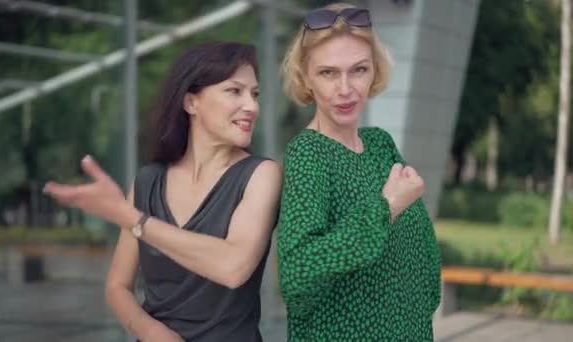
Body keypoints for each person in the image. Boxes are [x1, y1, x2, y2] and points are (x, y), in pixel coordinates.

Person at [43, 41, 282, 342]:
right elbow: (118, 286)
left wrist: (133, 219)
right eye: (235, 91)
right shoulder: (148, 181)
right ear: (191, 103)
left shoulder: (261, 174)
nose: (252, 106)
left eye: (254, 94)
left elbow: (233, 267)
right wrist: (152, 332)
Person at [277, 3, 442, 341]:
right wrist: (387, 207)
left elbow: (420, 253)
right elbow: (297, 274)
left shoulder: (380, 144)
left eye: (358, 70)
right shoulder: (308, 154)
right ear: (305, 76)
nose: (345, 88)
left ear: (375, 71)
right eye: (328, 73)